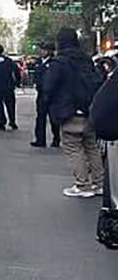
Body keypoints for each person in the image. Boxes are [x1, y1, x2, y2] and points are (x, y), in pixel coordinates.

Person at [43, 27, 104, 198]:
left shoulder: (59, 63)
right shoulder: (86, 60)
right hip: (89, 110)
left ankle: (83, 185)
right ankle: (99, 183)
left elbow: (48, 87)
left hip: (68, 111)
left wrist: (50, 106)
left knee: (74, 148)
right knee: (92, 147)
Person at [30, 41, 61, 148]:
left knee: (53, 118)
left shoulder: (54, 63)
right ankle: (40, 139)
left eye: (43, 50)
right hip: (41, 93)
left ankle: (56, 138)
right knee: (40, 116)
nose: (41, 52)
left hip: (53, 95)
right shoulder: (39, 62)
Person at [0, 44, 20, 130]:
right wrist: (17, 82)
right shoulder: (8, 61)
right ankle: (12, 121)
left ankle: (1, 123)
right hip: (8, 86)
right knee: (10, 105)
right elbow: (16, 71)